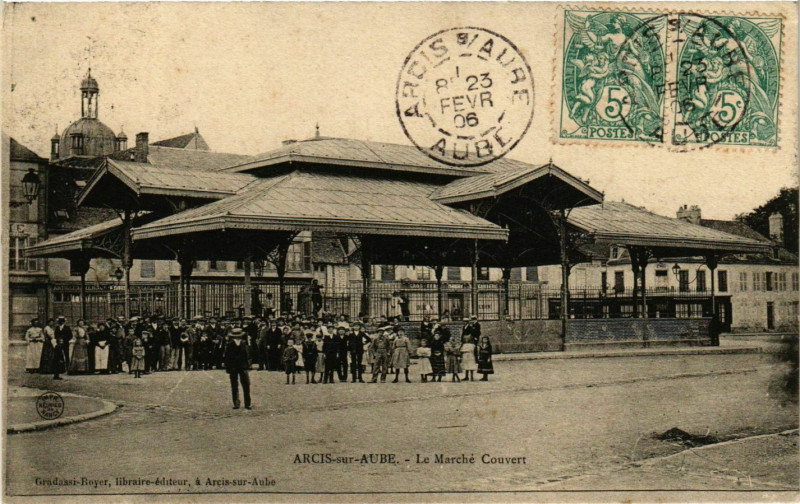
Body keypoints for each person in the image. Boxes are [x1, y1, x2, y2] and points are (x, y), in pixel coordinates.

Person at [225, 328, 252, 409]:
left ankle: (247, 403)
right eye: (236, 335)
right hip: (233, 367)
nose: (237, 337)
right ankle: (236, 403)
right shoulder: (229, 345)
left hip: (243, 366)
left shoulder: (244, 343)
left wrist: (248, 366)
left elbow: (248, 355)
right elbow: (227, 357)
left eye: (239, 335)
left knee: (246, 385)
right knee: (234, 385)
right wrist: (228, 368)